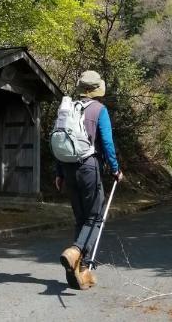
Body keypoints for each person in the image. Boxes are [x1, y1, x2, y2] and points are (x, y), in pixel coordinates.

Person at [55, 70, 123, 289]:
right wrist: (115, 169)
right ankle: (75, 252)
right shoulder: (99, 109)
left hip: (67, 167)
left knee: (80, 219)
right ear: (96, 90)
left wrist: (59, 172)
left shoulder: (69, 108)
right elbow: (107, 142)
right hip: (88, 167)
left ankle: (77, 273)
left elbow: (61, 138)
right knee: (94, 217)